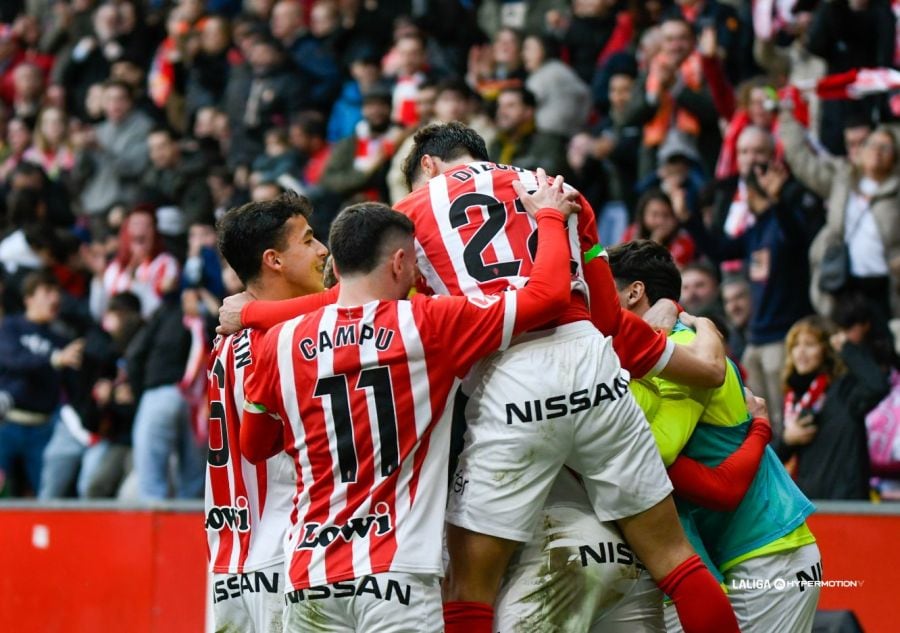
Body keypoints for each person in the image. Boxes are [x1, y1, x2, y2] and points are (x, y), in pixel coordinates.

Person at [395, 123, 735, 633]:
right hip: (591, 362)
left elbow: (370, 310)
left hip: (509, 375)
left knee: (468, 589)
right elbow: (607, 316)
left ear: (427, 165)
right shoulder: (556, 186)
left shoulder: (409, 215)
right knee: (675, 560)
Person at [240, 182, 579, 631]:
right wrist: (551, 218)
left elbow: (255, 446)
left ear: (335, 266)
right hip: (396, 574)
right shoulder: (431, 323)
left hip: (309, 575)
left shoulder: (278, 343)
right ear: (400, 262)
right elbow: (549, 296)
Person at [609, 240, 821, 633]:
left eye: (605, 290)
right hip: (739, 553)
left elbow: (654, 451)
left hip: (769, 552)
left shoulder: (683, 348)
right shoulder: (668, 344)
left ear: (634, 291)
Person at [207, 192, 328, 631]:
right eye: (310, 240)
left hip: (229, 559)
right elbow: (370, 302)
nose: (323, 251)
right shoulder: (292, 338)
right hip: (288, 549)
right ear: (274, 260)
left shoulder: (226, 340)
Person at [774, 312, 890, 500]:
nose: (800, 352)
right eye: (796, 345)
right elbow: (771, 459)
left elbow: (877, 385)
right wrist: (787, 440)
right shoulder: (792, 398)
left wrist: (847, 348)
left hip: (845, 504)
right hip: (808, 506)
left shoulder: (845, 389)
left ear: (826, 350)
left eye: (809, 345)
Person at [0, 271, 83, 496]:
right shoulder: (11, 326)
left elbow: (73, 386)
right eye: (47, 292)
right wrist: (55, 360)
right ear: (28, 298)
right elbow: (13, 359)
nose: (54, 298)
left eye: (57, 292)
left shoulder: (61, 339)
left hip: (43, 428)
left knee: (46, 496)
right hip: (6, 423)